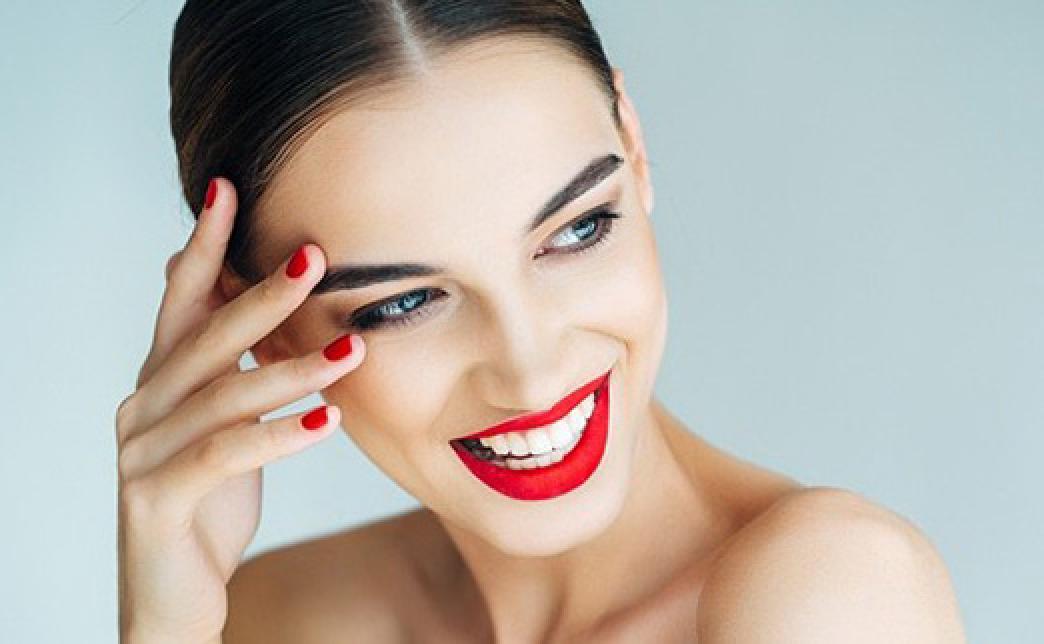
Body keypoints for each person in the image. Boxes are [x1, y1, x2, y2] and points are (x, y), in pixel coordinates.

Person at [116, 1, 967, 642]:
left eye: (578, 230)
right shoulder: (278, 618)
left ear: (634, 148)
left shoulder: (830, 593)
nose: (529, 372)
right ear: (260, 326)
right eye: (403, 303)